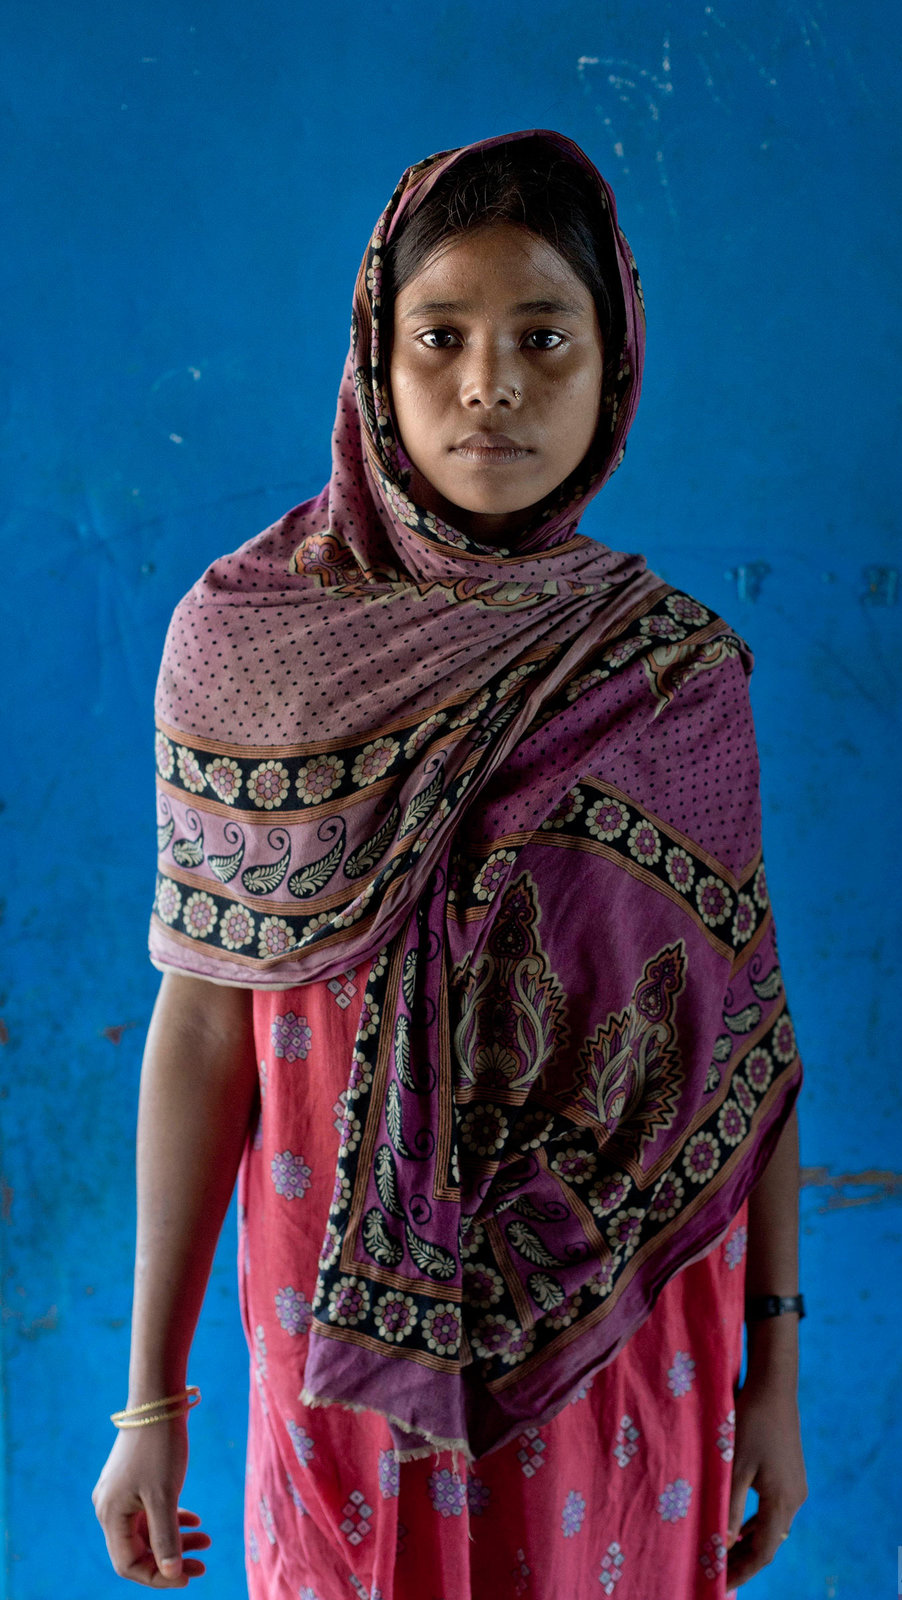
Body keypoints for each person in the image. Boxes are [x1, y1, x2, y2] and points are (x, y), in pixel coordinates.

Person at [92, 128, 807, 1598]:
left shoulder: (669, 678)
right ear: (376, 356)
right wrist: (148, 1398)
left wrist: (771, 1384)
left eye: (546, 337)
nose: (492, 383)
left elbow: (742, 1058)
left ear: (614, 369)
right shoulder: (245, 653)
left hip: (625, 1336)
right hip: (334, 1338)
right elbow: (206, 1020)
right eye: (443, 337)